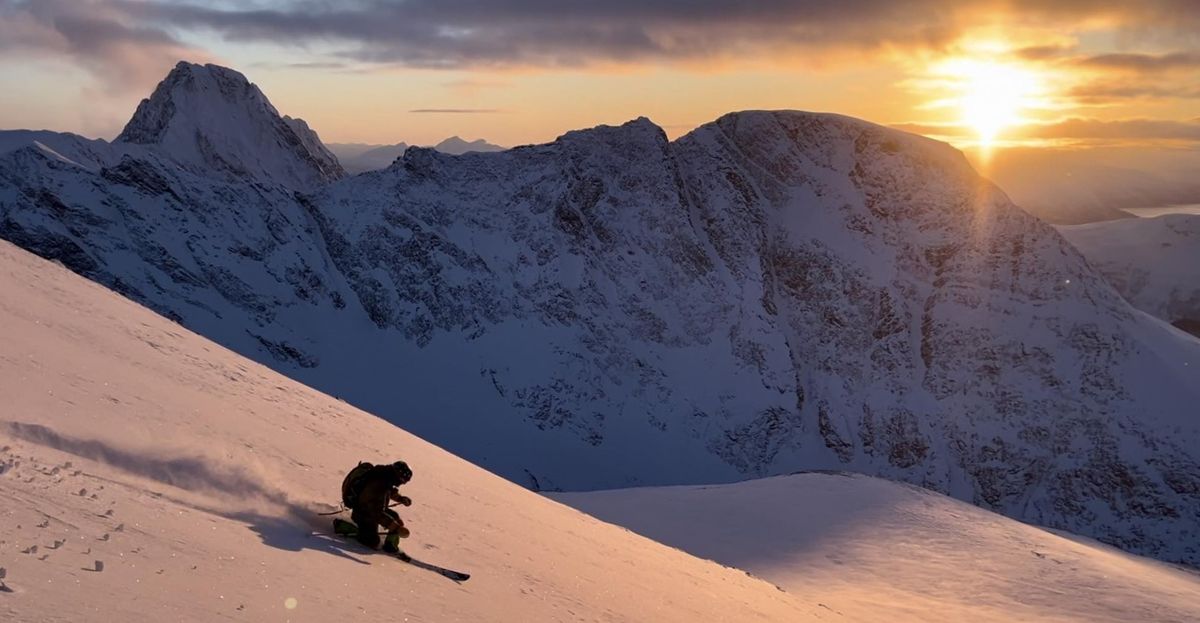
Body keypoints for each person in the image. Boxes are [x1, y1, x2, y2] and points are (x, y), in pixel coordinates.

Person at [344, 461, 413, 553]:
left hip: (369, 509)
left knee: (395, 517)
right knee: (372, 541)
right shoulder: (378, 485)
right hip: (363, 512)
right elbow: (376, 513)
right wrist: (395, 527)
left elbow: (389, 491)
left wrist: (401, 499)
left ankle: (390, 545)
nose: (402, 483)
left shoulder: (384, 477)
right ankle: (344, 527)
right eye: (403, 481)